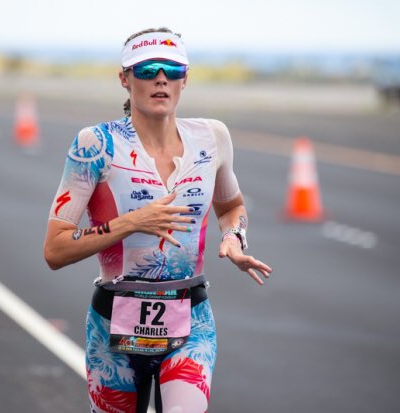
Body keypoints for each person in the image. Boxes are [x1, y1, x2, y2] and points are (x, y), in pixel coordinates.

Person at [44, 27, 272, 413]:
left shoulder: (212, 137)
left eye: (172, 69)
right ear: (125, 79)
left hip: (191, 320)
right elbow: (55, 249)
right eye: (147, 69)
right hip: (114, 326)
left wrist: (233, 237)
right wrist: (132, 222)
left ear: (185, 79)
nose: (161, 78)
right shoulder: (95, 144)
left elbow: (231, 206)